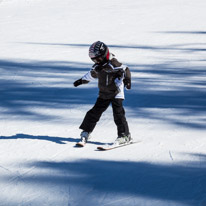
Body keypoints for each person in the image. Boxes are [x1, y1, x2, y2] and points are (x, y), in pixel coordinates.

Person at [73, 41, 132, 146]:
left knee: (118, 114)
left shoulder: (113, 63)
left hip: (116, 93)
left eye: (98, 59)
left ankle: (124, 135)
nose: (97, 61)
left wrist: (127, 80)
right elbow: (91, 75)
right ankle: (86, 131)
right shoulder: (97, 66)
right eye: (94, 60)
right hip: (104, 93)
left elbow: (125, 69)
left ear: (105, 54)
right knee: (94, 113)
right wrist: (81, 81)